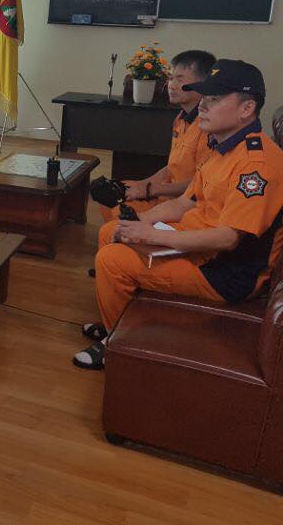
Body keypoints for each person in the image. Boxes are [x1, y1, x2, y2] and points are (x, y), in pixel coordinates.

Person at [75, 60, 283, 370]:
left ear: (247, 108)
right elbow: (184, 204)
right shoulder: (223, 148)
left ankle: (119, 349)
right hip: (195, 247)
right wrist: (138, 223)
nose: (204, 106)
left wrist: (154, 235)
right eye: (205, 97)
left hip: (223, 271)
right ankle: (116, 327)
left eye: (215, 99)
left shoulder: (258, 164)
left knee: (112, 261)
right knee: (112, 230)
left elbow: (228, 238)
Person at [97, 50, 215, 222]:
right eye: (171, 78)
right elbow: (172, 167)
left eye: (180, 79)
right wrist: (144, 183)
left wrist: (150, 190)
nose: (171, 85)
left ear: (203, 84)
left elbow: (199, 183)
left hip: (185, 204)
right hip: (165, 193)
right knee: (110, 196)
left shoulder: (208, 127)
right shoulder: (181, 118)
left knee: (118, 213)